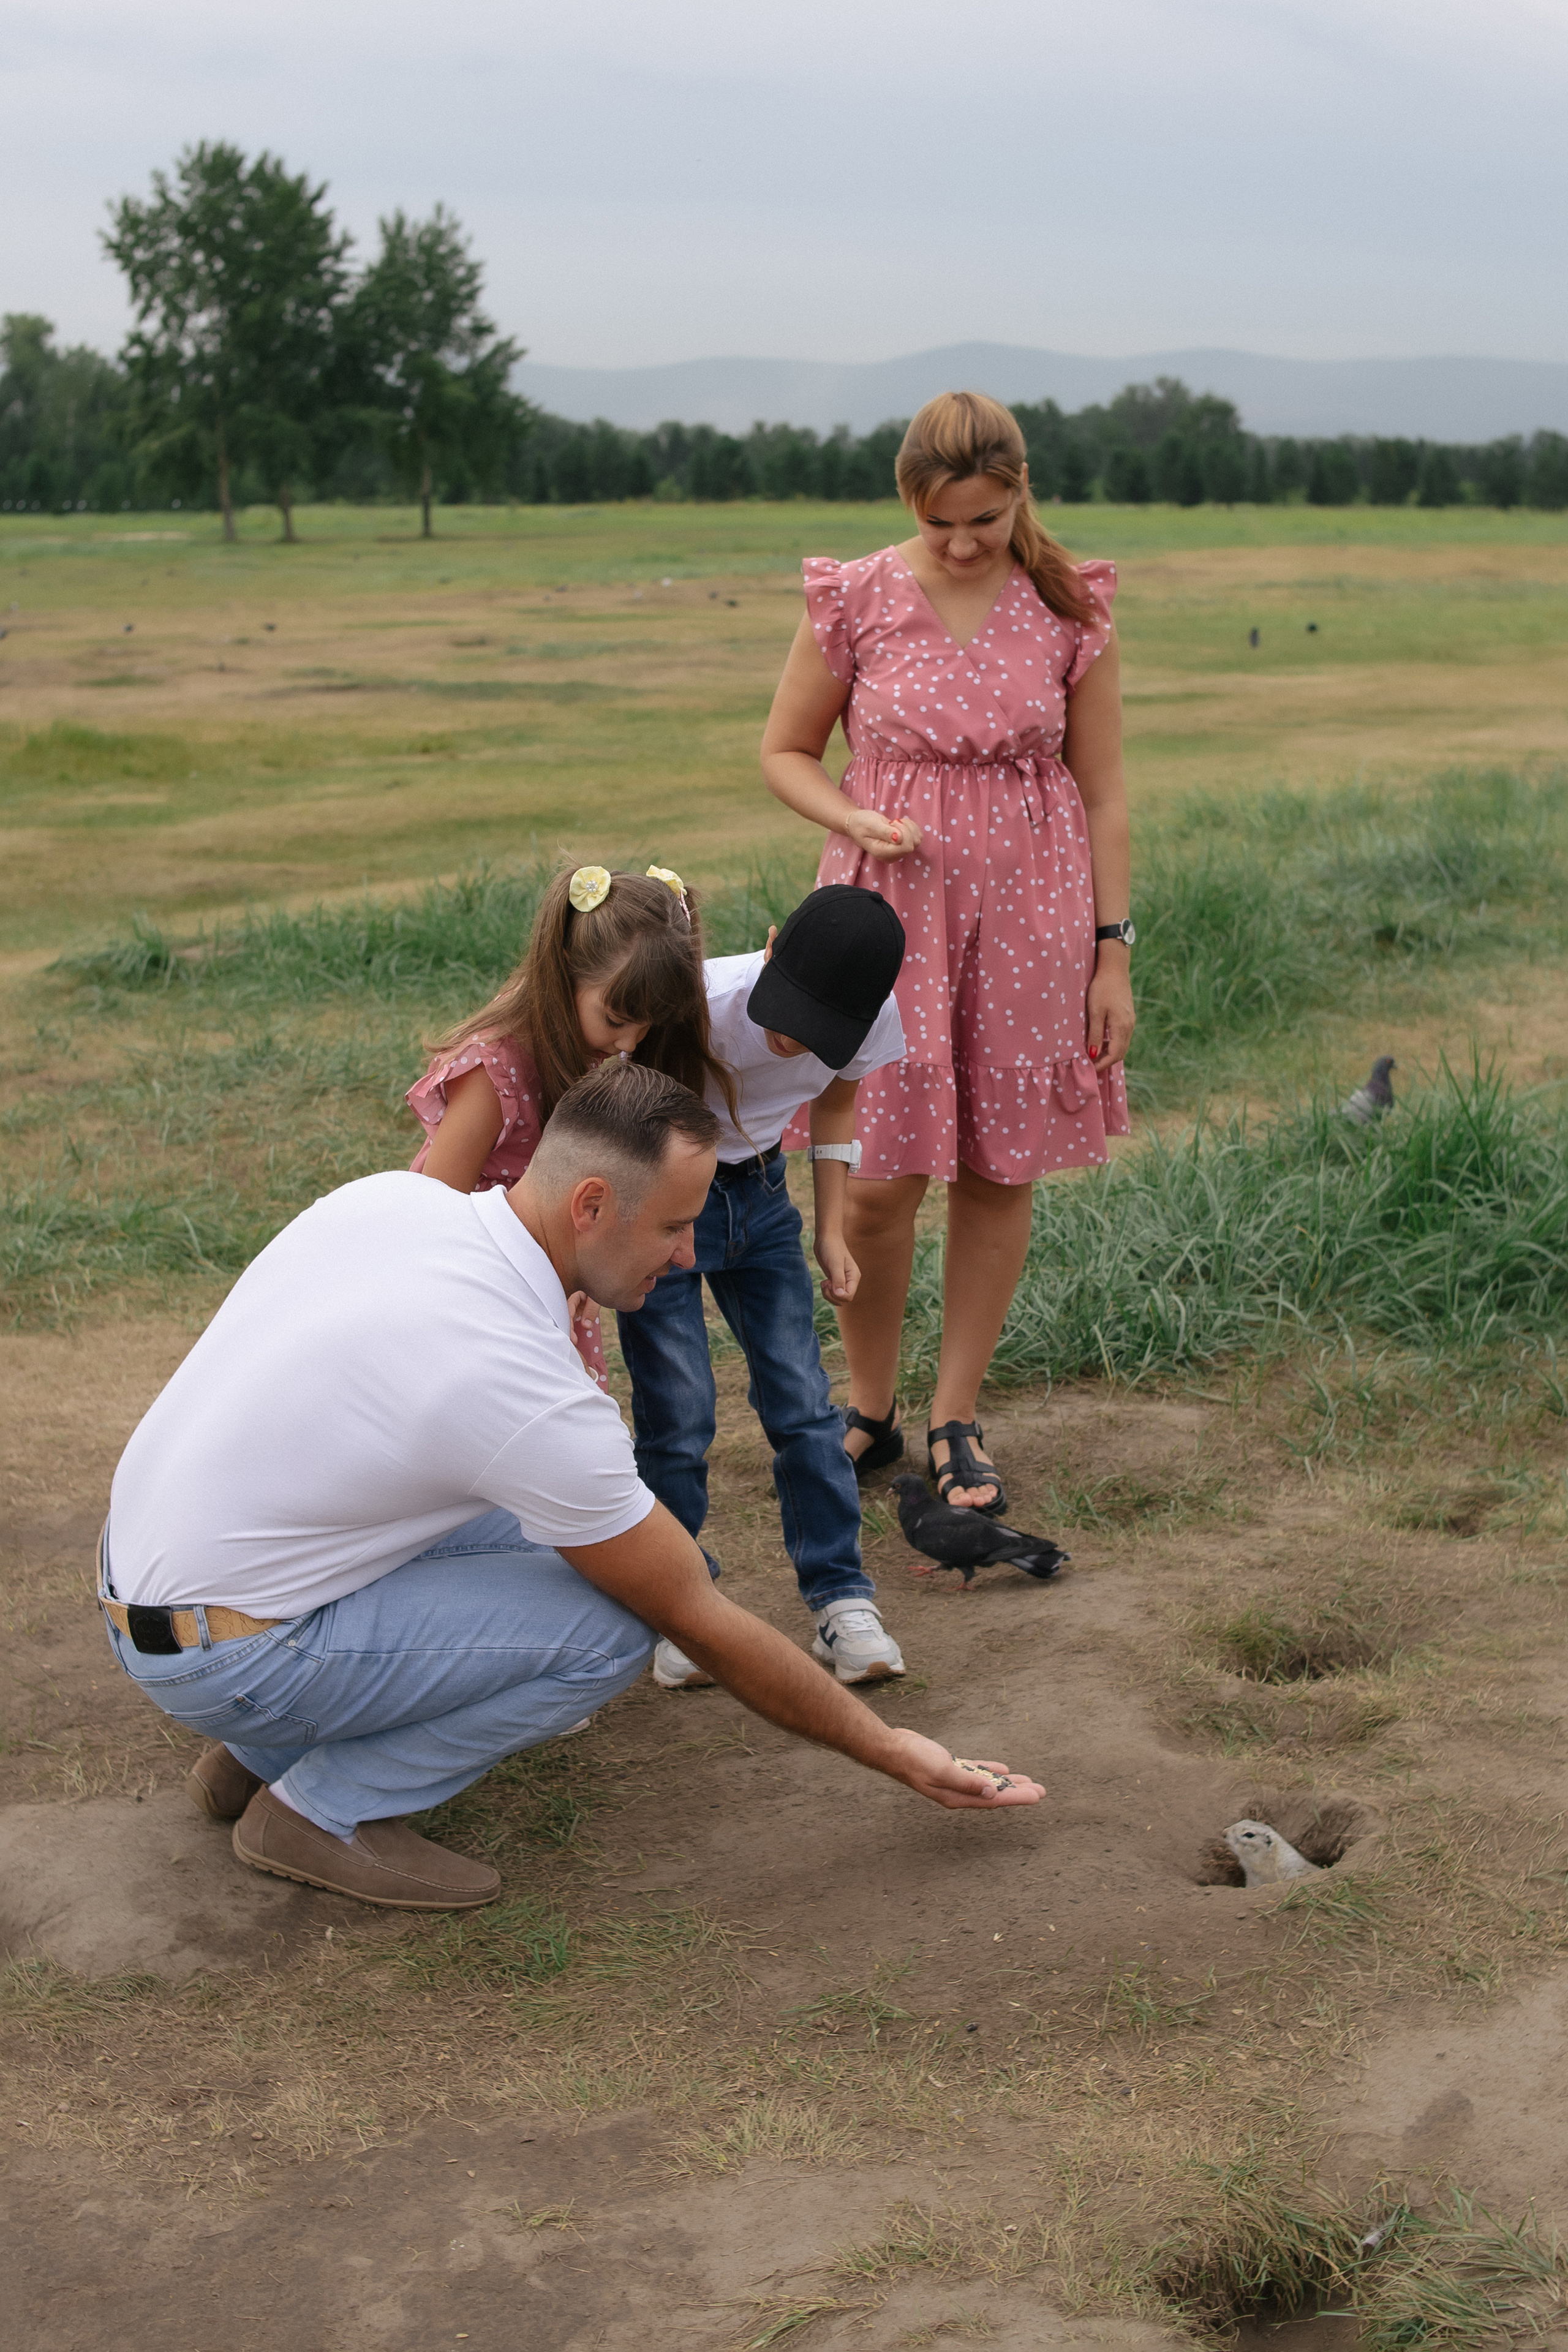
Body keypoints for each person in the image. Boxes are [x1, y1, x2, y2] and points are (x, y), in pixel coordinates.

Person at [97, 1063, 1042, 1914]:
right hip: (224, 1650)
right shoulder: (519, 1386)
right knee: (617, 1623)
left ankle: (250, 1759)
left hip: (150, 1569)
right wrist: (891, 1747)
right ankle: (316, 1811)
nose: (687, 1256)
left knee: (556, 1529)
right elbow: (698, 1617)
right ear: (589, 1204)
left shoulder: (399, 1201)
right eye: (675, 1226)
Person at [760, 390, 1136, 1518]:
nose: (966, 543)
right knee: (874, 1184)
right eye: (942, 524)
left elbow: (1106, 793)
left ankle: (954, 1416)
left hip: (1034, 918)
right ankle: (866, 1409)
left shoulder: (1071, 604)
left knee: (998, 1169)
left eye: (985, 518)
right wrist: (850, 815)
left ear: (1020, 490)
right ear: (907, 506)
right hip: (885, 915)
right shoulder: (858, 597)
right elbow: (784, 751)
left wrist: (1112, 954)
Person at [617, 886, 908, 1692]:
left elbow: (837, 1107)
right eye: (785, 1014)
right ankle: (683, 1609)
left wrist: (829, 1227)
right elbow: (621, 1109)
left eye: (816, 1032)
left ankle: (843, 1602)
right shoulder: (698, 1002)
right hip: (665, 1201)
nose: (790, 1042)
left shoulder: (868, 1017)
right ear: (772, 948)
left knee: (804, 1406)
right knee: (678, 1414)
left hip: (765, 1200)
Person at [406, 862, 736, 1387]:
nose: (630, 1043)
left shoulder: (573, 1045)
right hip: (483, 1288)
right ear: (564, 973)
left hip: (547, 1270)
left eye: (647, 1023)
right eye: (617, 1019)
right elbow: (430, 1214)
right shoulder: (495, 1071)